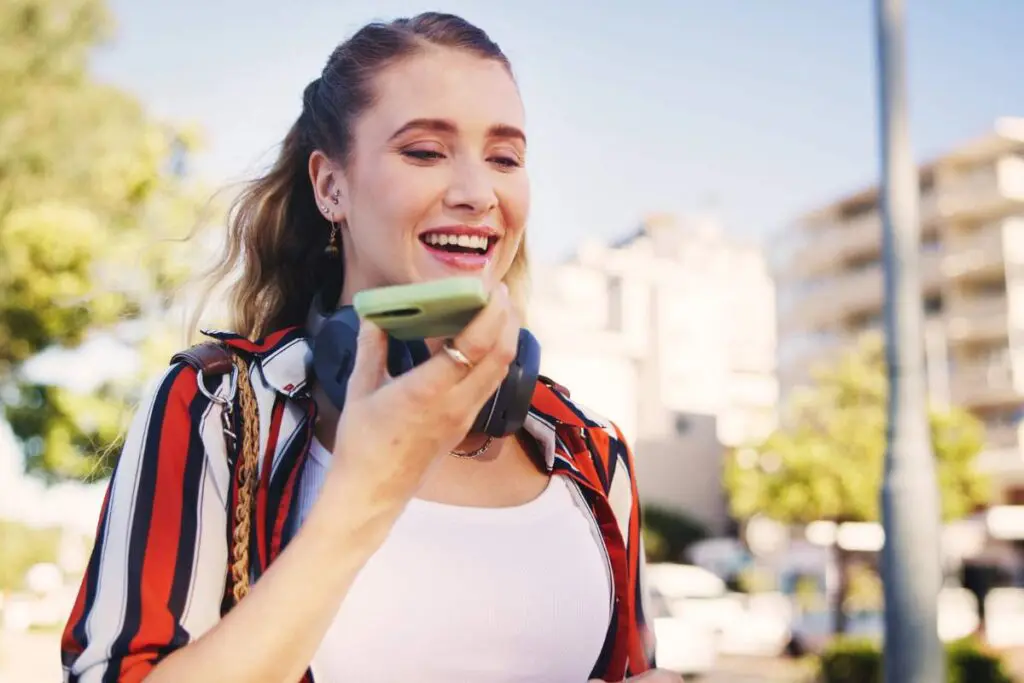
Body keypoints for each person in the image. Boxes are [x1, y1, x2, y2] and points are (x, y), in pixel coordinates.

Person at [60, 12, 680, 683]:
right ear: (331, 185)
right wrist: (365, 492)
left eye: (505, 157)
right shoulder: (218, 411)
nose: (477, 193)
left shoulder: (591, 450)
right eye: (424, 151)